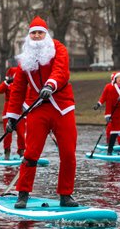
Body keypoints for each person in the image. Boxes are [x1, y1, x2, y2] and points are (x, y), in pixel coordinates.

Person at [5, 16, 78, 208]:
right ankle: (23, 194)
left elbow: (61, 71)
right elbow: (18, 90)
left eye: (40, 33)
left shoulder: (58, 49)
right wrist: (12, 116)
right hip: (37, 108)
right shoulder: (24, 60)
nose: (37, 36)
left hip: (62, 107)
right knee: (31, 153)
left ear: (46, 35)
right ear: (29, 36)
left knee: (68, 153)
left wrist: (50, 85)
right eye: (33, 33)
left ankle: (66, 194)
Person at [0, 65, 25, 159]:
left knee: (21, 133)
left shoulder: (22, 84)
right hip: (7, 111)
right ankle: (7, 153)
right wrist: (6, 82)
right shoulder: (7, 84)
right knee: (8, 133)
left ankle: (21, 152)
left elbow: (28, 95)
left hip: (20, 111)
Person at [93, 72, 120, 145]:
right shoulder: (108, 87)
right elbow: (103, 97)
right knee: (110, 127)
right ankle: (109, 143)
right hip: (110, 112)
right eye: (118, 78)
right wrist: (98, 104)